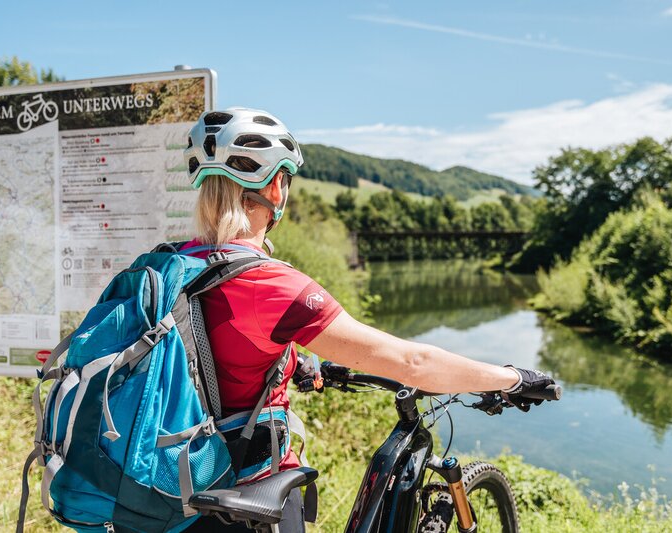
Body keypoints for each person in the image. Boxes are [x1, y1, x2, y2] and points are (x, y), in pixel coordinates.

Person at [180, 108, 555, 532]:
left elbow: (209, 349)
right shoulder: (269, 284)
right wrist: (510, 378)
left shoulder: (171, 265)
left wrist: (293, 362)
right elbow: (414, 365)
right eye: (285, 179)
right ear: (274, 186)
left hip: (166, 486)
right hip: (242, 490)